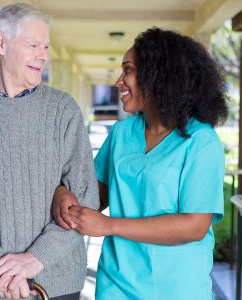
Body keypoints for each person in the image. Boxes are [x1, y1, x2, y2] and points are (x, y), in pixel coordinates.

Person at [53, 28, 228, 300]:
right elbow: (92, 197)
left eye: (128, 70)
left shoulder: (201, 141)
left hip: (178, 289)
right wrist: (63, 193)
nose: (118, 81)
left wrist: (109, 226)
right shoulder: (122, 134)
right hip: (116, 285)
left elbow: (194, 225)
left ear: (159, 75)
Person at [0, 3, 98, 300]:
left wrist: (34, 260)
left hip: (56, 285)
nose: (44, 55)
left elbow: (86, 196)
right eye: (33, 45)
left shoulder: (63, 110)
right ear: (2, 43)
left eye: (46, 47)